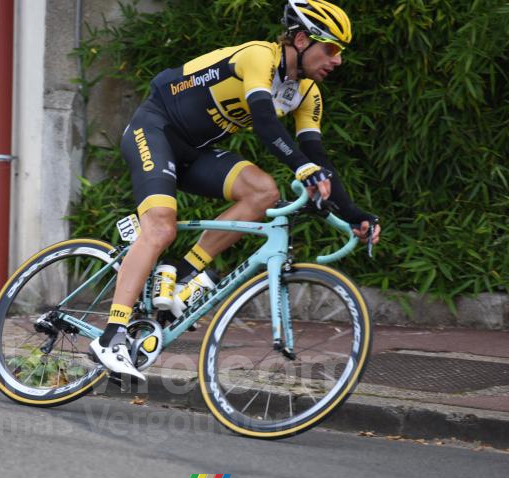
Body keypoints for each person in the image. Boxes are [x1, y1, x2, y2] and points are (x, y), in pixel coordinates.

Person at [89, 0, 381, 380]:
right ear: (301, 39)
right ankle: (110, 336)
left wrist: (354, 213)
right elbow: (263, 121)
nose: (338, 60)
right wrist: (303, 168)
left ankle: (181, 272)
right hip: (155, 129)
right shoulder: (259, 56)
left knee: (263, 191)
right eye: (331, 48)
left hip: (198, 152)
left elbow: (318, 159)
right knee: (161, 227)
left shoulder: (307, 94)